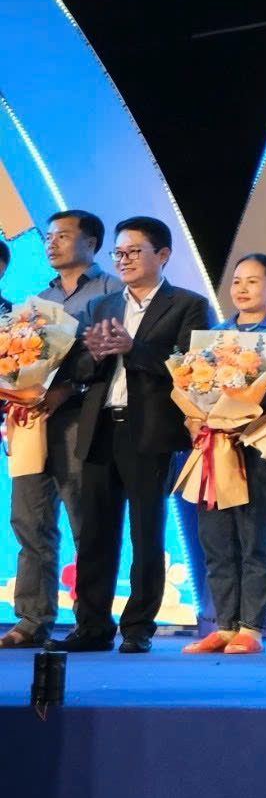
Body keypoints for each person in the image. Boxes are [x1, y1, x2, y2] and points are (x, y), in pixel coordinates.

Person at [53, 216, 214, 652]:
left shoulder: (188, 305)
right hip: (101, 425)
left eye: (133, 252)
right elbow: (81, 371)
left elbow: (191, 368)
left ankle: (139, 626)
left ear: (161, 255)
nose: (123, 260)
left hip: (151, 431)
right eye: (118, 253)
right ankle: (91, 625)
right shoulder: (103, 306)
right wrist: (95, 354)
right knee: (94, 533)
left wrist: (132, 349)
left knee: (147, 532)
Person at [1, 210, 118, 650]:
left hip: (82, 419)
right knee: (29, 522)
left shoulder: (112, 292)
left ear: (91, 241)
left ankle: (92, 621)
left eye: (63, 236)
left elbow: (108, 358)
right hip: (32, 420)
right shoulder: (35, 299)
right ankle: (32, 618)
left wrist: (67, 387)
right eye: (49, 236)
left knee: (87, 522)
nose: (51, 243)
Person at [186, 253, 266, 654]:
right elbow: (192, 392)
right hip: (215, 449)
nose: (243, 289)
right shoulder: (214, 336)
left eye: (253, 281)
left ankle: (252, 626)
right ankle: (223, 624)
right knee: (215, 536)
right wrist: (195, 419)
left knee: (255, 536)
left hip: (259, 447)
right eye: (237, 281)